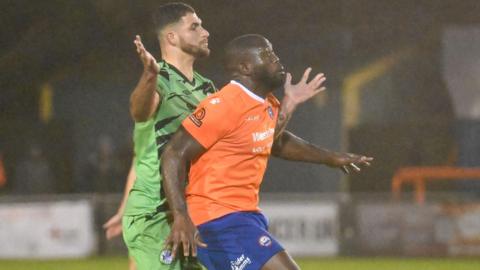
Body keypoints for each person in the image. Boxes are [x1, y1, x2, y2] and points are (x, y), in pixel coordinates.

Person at [161, 34, 373, 270]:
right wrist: (180, 215)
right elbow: (174, 153)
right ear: (245, 67)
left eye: (273, 53)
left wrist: (329, 156)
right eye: (266, 54)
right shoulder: (225, 104)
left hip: (244, 216)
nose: (276, 59)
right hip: (219, 220)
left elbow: (272, 140)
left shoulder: (266, 103)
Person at [120, 2, 215, 270]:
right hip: (154, 215)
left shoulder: (207, 88)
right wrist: (149, 75)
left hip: (187, 214)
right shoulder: (159, 80)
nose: (205, 32)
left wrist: (285, 106)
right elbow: (140, 111)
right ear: (171, 37)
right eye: (194, 26)